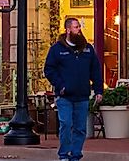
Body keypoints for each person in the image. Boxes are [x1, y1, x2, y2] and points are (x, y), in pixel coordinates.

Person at [44, 17, 104, 161]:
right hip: (65, 95)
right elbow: (49, 70)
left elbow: (95, 70)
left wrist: (98, 90)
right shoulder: (57, 49)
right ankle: (64, 154)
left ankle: (75, 154)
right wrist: (61, 85)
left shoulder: (87, 49)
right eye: (76, 27)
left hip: (82, 95)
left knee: (80, 128)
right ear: (68, 29)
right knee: (66, 123)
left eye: (79, 27)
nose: (79, 30)